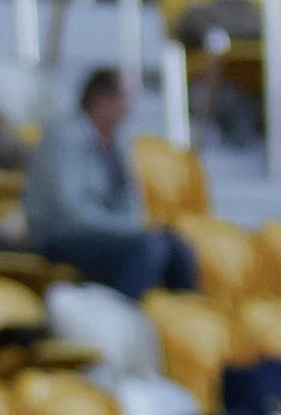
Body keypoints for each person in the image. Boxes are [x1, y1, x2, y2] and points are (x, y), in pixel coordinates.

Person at [23, 70, 201, 303]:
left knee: (177, 246)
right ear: (101, 100)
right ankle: (117, 313)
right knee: (147, 247)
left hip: (106, 232)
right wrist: (126, 229)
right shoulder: (63, 136)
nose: (129, 107)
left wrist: (133, 226)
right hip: (61, 237)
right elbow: (71, 210)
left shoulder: (117, 141)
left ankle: (184, 319)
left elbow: (131, 198)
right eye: (123, 98)